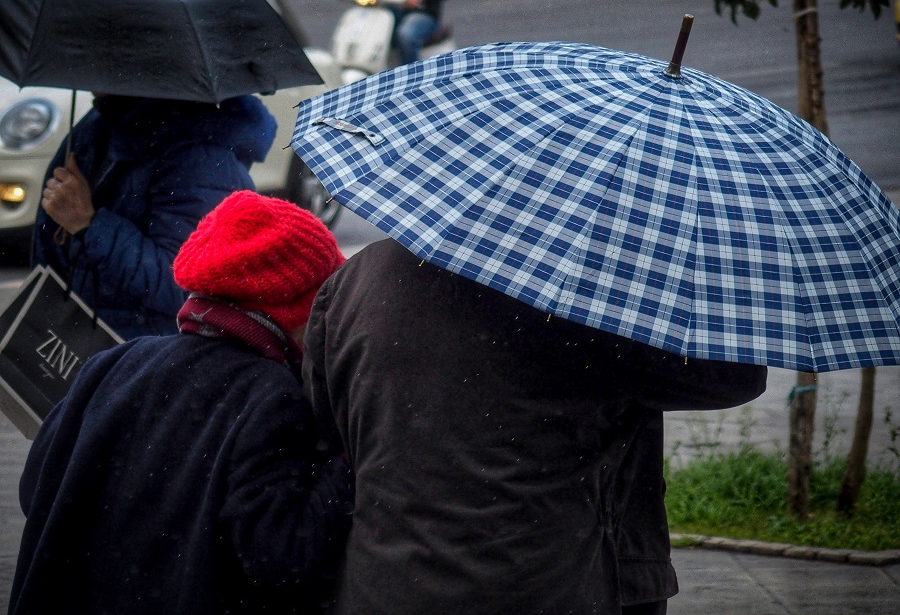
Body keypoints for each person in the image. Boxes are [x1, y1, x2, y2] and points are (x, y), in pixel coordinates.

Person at [303, 238, 768, 614]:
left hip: (386, 583)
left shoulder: (356, 279)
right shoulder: (584, 289)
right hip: (543, 584)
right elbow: (732, 375)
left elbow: (328, 427)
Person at [11, 191, 353, 615]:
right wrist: (349, 461)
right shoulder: (272, 398)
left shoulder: (115, 363)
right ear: (298, 309)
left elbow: (35, 489)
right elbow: (282, 555)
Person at [33, 93, 276, 340]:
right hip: (87, 337)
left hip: (140, 353)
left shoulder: (201, 158)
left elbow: (183, 285)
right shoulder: (102, 122)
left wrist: (90, 225)